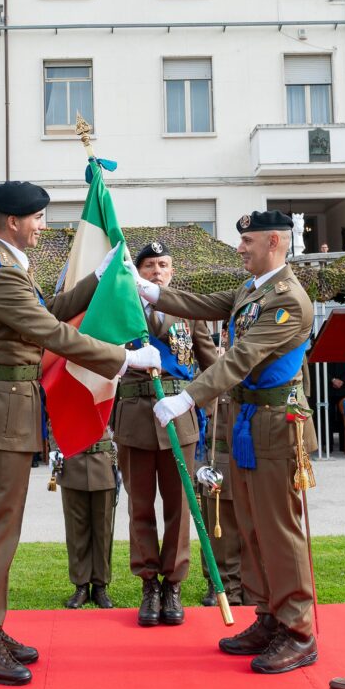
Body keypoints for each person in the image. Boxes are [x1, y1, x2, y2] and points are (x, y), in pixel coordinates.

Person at [0, 180, 159, 686]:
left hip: (8, 407)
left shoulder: (9, 266)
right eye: (38, 218)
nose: (44, 226)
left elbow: (50, 312)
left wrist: (99, 278)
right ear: (14, 221)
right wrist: (124, 359)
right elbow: (54, 334)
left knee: (2, 525)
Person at [147, 209, 319, 675]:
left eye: (248, 241)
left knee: (280, 530)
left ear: (275, 244)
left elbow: (241, 357)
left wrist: (187, 397)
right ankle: (268, 618)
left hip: (276, 422)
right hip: (247, 420)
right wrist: (154, 293)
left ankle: (298, 630)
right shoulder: (253, 289)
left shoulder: (288, 300)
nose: (240, 248)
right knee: (250, 526)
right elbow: (207, 304)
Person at [112, 241, 217, 628]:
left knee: (179, 506)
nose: (159, 271)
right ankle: (148, 584)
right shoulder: (121, 307)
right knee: (140, 507)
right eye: (151, 265)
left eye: (165, 265)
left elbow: (211, 366)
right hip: (136, 415)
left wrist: (204, 407)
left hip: (178, 415)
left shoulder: (188, 311)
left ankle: (173, 583)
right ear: (138, 271)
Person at [55, 428, 117, 610]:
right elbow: (55, 419)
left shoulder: (109, 396)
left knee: (103, 529)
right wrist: (54, 450)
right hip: (72, 459)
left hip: (104, 458)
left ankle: (100, 585)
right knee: (76, 528)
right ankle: (81, 585)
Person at [198, 389, 244, 607]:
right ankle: (223, 584)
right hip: (217, 455)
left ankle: (246, 584)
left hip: (248, 452)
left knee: (246, 528)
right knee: (219, 527)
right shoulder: (208, 365)